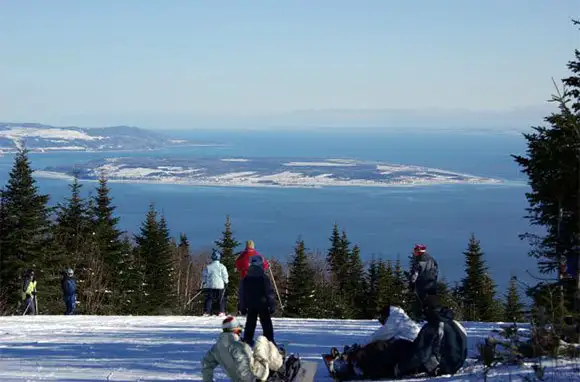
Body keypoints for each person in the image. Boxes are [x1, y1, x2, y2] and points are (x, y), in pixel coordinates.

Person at [328, 304, 421, 380]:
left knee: (376, 346)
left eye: (381, 319)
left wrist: (360, 346)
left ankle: (352, 363)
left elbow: (378, 336)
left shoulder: (395, 319)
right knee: (379, 347)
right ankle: (355, 360)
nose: (381, 321)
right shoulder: (400, 318)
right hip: (408, 348)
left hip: (407, 348)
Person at [394, 295, 468, 378]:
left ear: (427, 309)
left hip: (441, 368)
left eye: (423, 309)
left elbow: (421, 355)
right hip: (456, 365)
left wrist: (400, 367)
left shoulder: (433, 326)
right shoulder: (456, 324)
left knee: (401, 347)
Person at [201, 316, 283, 382]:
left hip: (242, 377)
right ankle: (280, 366)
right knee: (261, 340)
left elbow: (206, 364)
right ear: (235, 330)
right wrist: (257, 379)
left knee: (258, 349)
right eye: (239, 331)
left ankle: (278, 359)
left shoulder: (216, 348)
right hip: (259, 375)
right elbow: (243, 369)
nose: (240, 333)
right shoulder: (238, 346)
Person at [240, 255, 276, 346]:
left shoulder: (246, 278)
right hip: (262, 304)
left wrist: (242, 306)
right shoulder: (264, 278)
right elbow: (269, 292)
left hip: (250, 304)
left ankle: (248, 339)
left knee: (250, 322)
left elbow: (242, 293)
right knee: (266, 322)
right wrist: (272, 305)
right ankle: (269, 340)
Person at [409, 244, 439, 319]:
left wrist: (412, 283)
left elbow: (415, 273)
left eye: (415, 250)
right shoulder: (432, 259)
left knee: (421, 301)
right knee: (432, 300)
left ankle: (422, 316)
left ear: (419, 251)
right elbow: (436, 271)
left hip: (422, 283)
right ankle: (434, 315)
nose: (414, 252)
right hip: (432, 283)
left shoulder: (418, 261)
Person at [202, 249, 229, 316]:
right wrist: (226, 282)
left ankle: (207, 311)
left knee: (209, 298)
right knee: (221, 299)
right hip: (220, 286)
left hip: (210, 285)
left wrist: (204, 282)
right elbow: (225, 275)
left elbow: (204, 276)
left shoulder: (208, 267)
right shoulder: (222, 267)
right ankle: (221, 311)